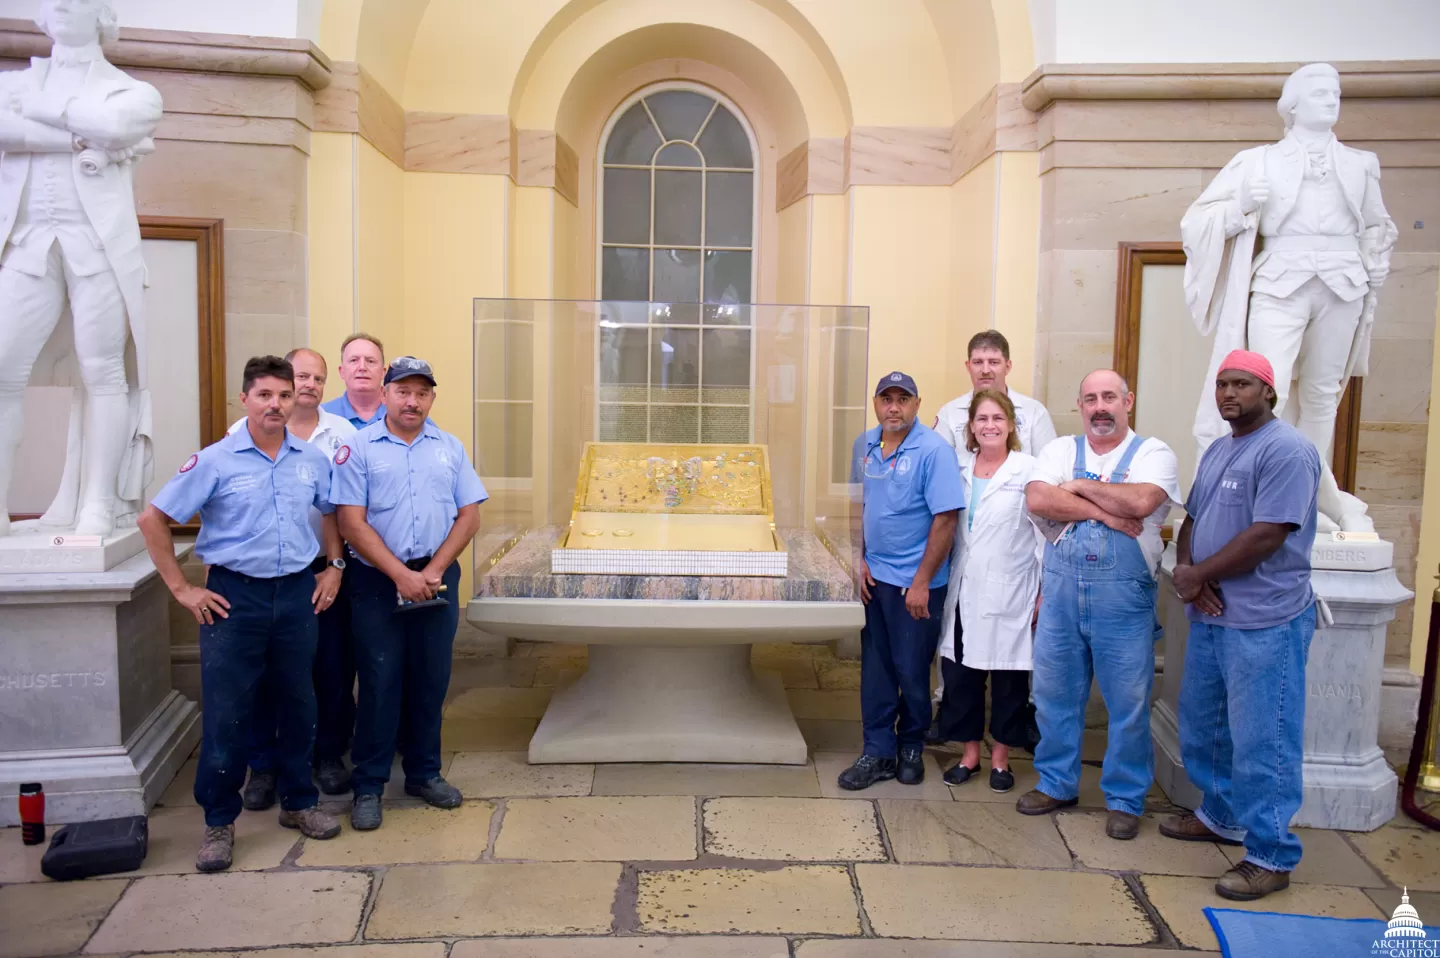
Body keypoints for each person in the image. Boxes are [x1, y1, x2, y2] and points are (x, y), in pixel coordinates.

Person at [136, 356, 344, 872]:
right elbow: (153, 519)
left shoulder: (310, 460)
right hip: (234, 599)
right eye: (264, 395)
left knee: (300, 704)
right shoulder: (215, 460)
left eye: (283, 394)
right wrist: (182, 589)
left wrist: (334, 565)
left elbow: (329, 511)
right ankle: (219, 822)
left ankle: (299, 804)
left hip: (296, 594)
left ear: (294, 398)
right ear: (244, 400)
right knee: (230, 713)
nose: (275, 404)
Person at [1182, 63, 1396, 533]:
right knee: (1262, 389)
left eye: (1336, 92)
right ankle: (1255, 486)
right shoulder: (1257, 162)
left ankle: (1310, 495)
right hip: (1280, 278)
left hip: (1343, 282)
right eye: (1319, 92)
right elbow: (1195, 222)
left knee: (1322, 395)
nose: (1331, 99)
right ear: (1293, 104)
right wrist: (1240, 208)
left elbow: (1376, 222)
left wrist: (1376, 252)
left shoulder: (1360, 164)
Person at [1162, 350, 1321, 902]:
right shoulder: (1218, 451)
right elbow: (1193, 520)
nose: (1229, 393)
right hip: (1211, 611)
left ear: (1268, 392)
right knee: (1207, 726)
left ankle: (1271, 854)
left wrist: (1198, 574)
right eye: (1223, 384)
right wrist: (1189, 576)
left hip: (1265, 620)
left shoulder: (1288, 450)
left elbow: (1267, 535)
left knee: (1264, 739)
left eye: (1243, 385)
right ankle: (1222, 815)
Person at [0, 0, 162, 537]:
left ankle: (97, 503)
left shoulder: (130, 90)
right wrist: (77, 137)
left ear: (103, 15)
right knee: (3, 372)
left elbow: (117, 126)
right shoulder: (10, 85)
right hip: (27, 243)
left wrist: (42, 111)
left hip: (98, 246)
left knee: (103, 372)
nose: (62, 5)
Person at [1019, 370, 1182, 840]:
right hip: (1061, 595)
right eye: (1090, 398)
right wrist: (1105, 509)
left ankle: (1127, 798)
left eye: (1109, 397)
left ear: (1128, 400)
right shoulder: (1058, 450)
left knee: (1128, 702)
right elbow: (1037, 498)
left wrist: (1075, 488)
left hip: (1123, 601)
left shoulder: (1154, 453)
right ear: (1080, 405)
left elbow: (1144, 499)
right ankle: (1056, 783)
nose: (1100, 407)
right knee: (1053, 695)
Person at [331, 356, 486, 830]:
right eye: (403, 391)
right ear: (385, 395)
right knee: (380, 681)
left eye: (422, 393)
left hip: (437, 577)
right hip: (378, 581)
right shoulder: (357, 448)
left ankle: (423, 773)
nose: (412, 401)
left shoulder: (450, 448)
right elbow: (350, 522)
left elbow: (470, 515)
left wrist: (434, 570)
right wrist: (400, 574)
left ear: (432, 399)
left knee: (431, 679)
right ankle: (370, 785)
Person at [226, 348, 358, 805]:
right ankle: (264, 767)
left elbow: (337, 509)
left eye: (318, 379)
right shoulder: (238, 437)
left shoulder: (341, 434)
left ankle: (327, 756)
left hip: (320, 573)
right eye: (300, 376)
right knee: (264, 677)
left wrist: (335, 568)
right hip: (258, 579)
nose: (309, 386)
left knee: (330, 669)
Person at [929, 329, 1056, 747]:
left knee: (1015, 650)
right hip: (963, 541)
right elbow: (939, 474)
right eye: (978, 362)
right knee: (957, 638)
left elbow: (1048, 479)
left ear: (1007, 365)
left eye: (994, 361)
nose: (986, 369)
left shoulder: (1034, 413)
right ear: (968, 367)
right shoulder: (949, 414)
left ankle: (1021, 722)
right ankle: (949, 710)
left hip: (1014, 542)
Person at [838, 372, 964, 791]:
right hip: (875, 578)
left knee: (912, 670)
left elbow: (946, 519)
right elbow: (855, 506)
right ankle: (877, 750)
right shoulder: (865, 445)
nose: (894, 407)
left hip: (916, 582)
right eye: (886, 398)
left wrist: (923, 581)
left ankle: (910, 745)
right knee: (875, 668)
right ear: (876, 403)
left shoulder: (934, 451)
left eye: (903, 399)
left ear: (917, 403)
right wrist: (857, 560)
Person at [936, 391, 1042, 793]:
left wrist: (1042, 592)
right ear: (972, 427)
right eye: (982, 419)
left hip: (1013, 587)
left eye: (998, 418)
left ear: (1011, 425)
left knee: (1009, 677)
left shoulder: (1029, 469)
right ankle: (969, 755)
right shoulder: (960, 469)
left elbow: (1045, 536)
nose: (990, 425)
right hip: (964, 587)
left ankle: (1001, 758)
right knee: (961, 675)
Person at [323, 333, 388, 429]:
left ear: (383, 372)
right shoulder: (322, 415)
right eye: (354, 360)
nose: (362, 367)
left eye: (370, 361)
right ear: (342, 371)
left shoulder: (399, 414)